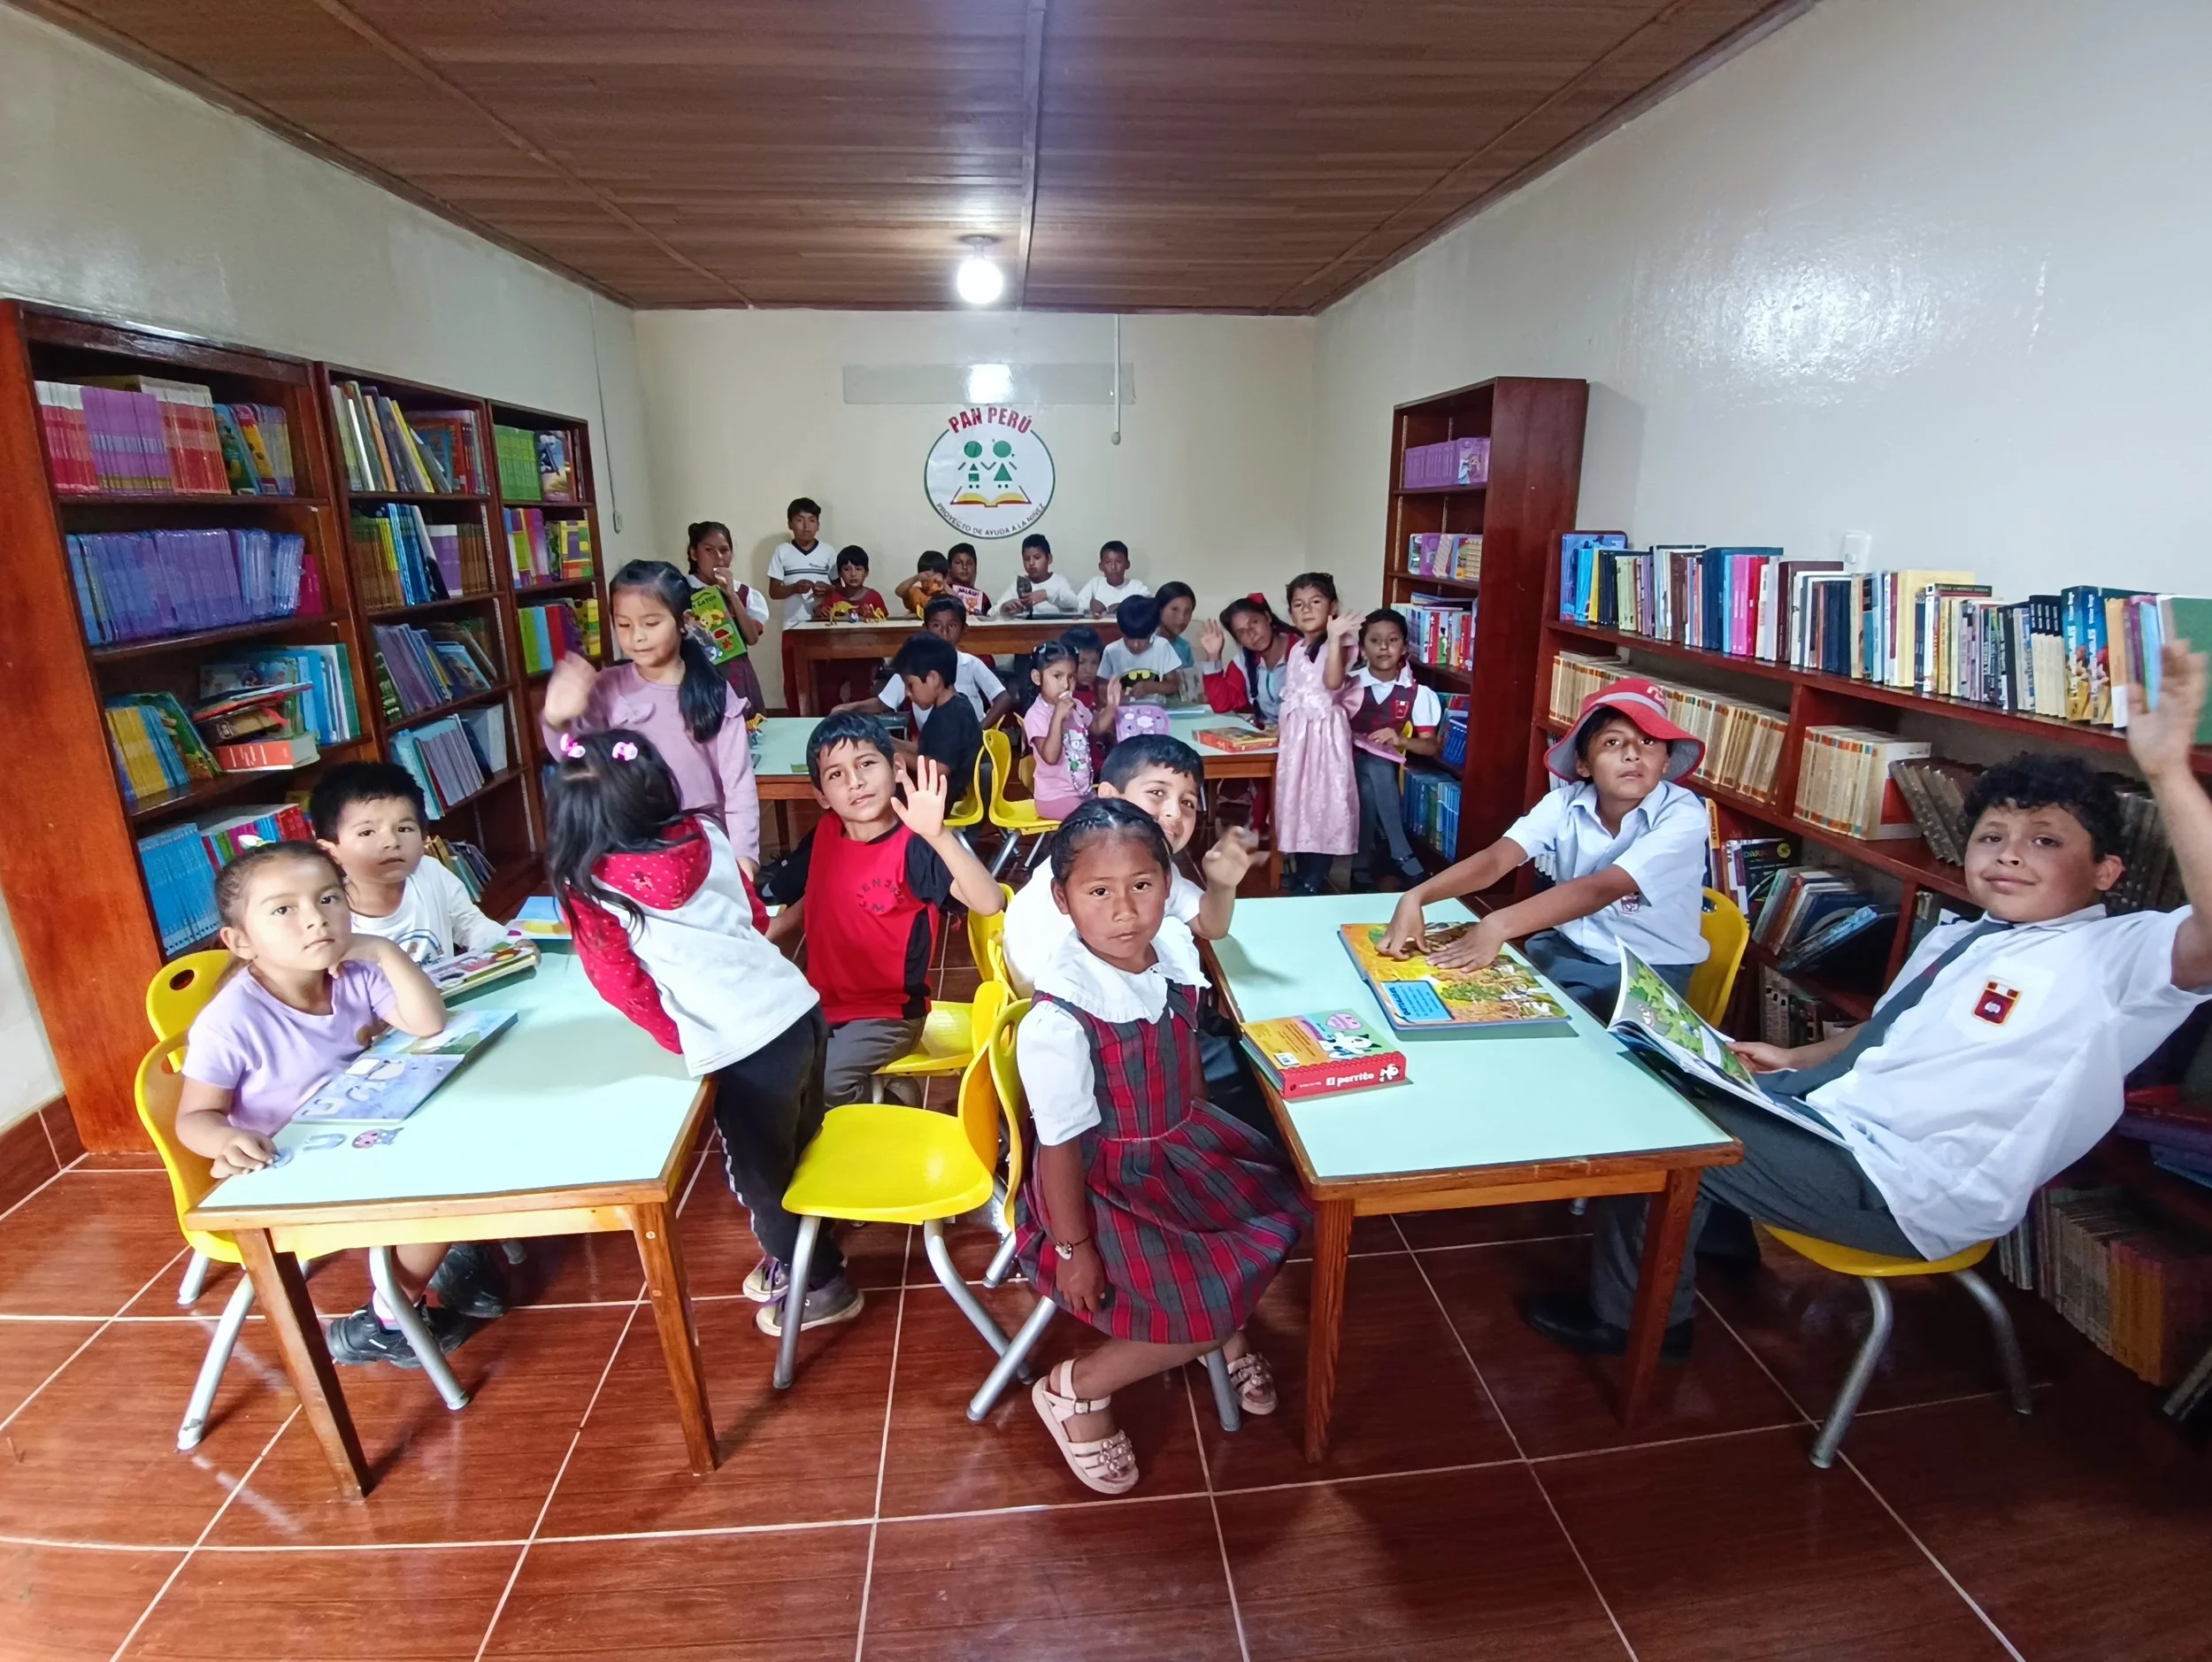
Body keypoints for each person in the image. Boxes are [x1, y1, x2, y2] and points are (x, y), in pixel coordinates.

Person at [1524, 641, 2212, 1362]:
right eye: (1992, 836)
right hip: (1841, 1129)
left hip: (1905, 1190)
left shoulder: (2117, 958)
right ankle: (1714, 1233)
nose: (2009, 854)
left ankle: (1643, 1325)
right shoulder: (1965, 937)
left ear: (2106, 871)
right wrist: (1790, 1055)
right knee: (1664, 1070)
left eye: (2044, 841)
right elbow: (1886, 1036)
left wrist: (2165, 769)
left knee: (1661, 1128)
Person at [1018, 800, 1309, 1495]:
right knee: (1200, 1302)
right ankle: (1076, 1388)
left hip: (1179, 1141)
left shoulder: (1172, 949)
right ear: (1063, 899)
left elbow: (1185, 1063)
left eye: (1142, 886)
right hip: (1102, 1180)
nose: (1125, 911)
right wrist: (1073, 1250)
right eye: (1098, 892)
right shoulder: (1062, 1015)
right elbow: (1057, 1148)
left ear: (1166, 885)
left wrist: (1209, 1141)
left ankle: (1220, 1323)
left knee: (1269, 1214)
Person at [548, 728, 860, 1336]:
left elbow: (621, 984)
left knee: (760, 1183)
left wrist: (681, 1035)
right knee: (801, 1147)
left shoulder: (589, 887)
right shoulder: (706, 834)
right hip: (798, 1010)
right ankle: (802, 1248)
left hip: (743, 1048)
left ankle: (823, 1282)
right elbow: (757, 914)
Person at [175, 842, 501, 1365]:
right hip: (294, 1163)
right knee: (447, 1195)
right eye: (284, 910)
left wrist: (383, 951)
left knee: (475, 1143)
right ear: (241, 941)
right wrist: (225, 1138)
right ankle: (387, 1321)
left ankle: (451, 1255)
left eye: (329, 899)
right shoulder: (230, 1020)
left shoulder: (353, 969)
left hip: (360, 1126)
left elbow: (427, 1023)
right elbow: (194, 1118)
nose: (316, 920)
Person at [1380, 678, 1709, 1010]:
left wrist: (1497, 923)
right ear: (1584, 764)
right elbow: (1496, 860)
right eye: (1612, 742)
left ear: (1666, 760)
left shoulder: (1684, 815)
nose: (1633, 755)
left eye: (1649, 741)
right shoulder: (1563, 803)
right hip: (1567, 950)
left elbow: (1601, 889)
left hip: (1646, 975)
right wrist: (1418, 896)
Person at [759, 719, 1002, 1104]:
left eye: (867, 764)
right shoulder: (827, 831)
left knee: (822, 1084)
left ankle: (887, 1109)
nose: (855, 781)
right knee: (765, 1066)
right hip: (821, 1001)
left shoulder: (916, 847)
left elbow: (991, 902)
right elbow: (823, 893)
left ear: (897, 769)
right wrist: (780, 925)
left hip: (888, 1014)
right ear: (822, 795)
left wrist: (938, 835)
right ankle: (879, 1095)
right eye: (836, 774)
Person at [541, 559, 761, 870]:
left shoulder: (712, 692)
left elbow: (738, 785)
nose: (637, 637)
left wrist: (744, 855)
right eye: (624, 625)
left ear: (684, 622)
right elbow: (576, 760)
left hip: (703, 851)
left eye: (651, 623)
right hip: (625, 848)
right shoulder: (606, 687)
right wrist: (556, 720)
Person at [309, 761, 510, 963]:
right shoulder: (327, 913)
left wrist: (510, 946)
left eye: (404, 829)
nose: (392, 842)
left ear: (424, 838)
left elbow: (471, 924)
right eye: (367, 832)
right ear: (330, 851)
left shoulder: (430, 873)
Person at [1271, 573, 1362, 896]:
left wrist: (1335, 637)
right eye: (1298, 604)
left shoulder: (1342, 643)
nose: (1306, 610)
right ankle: (1302, 869)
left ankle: (1315, 876)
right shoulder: (1296, 648)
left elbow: (1333, 682)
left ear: (1332, 607)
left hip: (1324, 736)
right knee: (1298, 801)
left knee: (1322, 802)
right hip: (1297, 738)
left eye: (1316, 602)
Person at [1348, 608, 1445, 892]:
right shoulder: (1349, 685)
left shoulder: (1416, 692)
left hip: (1381, 772)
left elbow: (1430, 747)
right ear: (1363, 649)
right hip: (1342, 768)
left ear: (1404, 647)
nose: (1383, 647)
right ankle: (1401, 851)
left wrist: (1400, 740)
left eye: (1392, 640)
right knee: (1369, 767)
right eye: (1374, 641)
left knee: (1371, 774)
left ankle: (1361, 862)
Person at [836, 596, 1011, 727]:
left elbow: (1002, 697)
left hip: (969, 744)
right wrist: (848, 708)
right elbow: (883, 703)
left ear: (964, 630)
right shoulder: (913, 666)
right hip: (934, 744)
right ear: (925, 629)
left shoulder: (971, 664)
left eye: (952, 626)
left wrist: (980, 730)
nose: (944, 632)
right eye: (936, 625)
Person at [682, 519, 771, 720]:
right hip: (697, 675)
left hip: (737, 674)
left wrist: (731, 594)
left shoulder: (744, 593)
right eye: (709, 550)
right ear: (693, 553)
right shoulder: (680, 590)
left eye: (724, 550)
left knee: (747, 732)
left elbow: (752, 638)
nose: (718, 558)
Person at [887, 631, 985, 798]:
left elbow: (939, 767)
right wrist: (888, 741)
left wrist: (895, 753)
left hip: (943, 798)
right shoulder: (955, 705)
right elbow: (928, 749)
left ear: (933, 679)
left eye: (910, 685)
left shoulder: (950, 717)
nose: (907, 693)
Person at [1023, 641, 1096, 823]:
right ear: (1037, 678)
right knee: (1093, 821)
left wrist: (1111, 704)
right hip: (1054, 798)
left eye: (1071, 677)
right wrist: (1057, 718)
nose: (1066, 685)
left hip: (1081, 792)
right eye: (1057, 676)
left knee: (1109, 812)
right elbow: (1050, 756)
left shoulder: (1076, 706)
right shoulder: (1036, 715)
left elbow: (1096, 728)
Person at [1198, 596, 1294, 727]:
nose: (1251, 634)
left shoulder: (1301, 650)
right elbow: (1222, 705)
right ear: (1238, 641)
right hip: (1268, 738)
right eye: (1242, 633)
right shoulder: (1243, 662)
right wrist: (1214, 655)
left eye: (1254, 622)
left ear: (1267, 617)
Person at [766, 496, 837, 627]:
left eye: (812, 520)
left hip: (826, 623)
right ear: (790, 524)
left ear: (818, 525)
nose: (806, 526)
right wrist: (794, 588)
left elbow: (840, 590)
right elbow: (773, 592)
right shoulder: (782, 551)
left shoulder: (828, 551)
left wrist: (827, 589)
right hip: (792, 625)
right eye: (800, 520)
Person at [1099, 595, 1185, 689]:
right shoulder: (1111, 651)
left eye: (1143, 639)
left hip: (1155, 703)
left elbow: (1174, 685)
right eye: (1129, 638)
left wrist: (1150, 687)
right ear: (1121, 631)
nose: (1136, 645)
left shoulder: (1162, 646)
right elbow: (1101, 687)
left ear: (1152, 631)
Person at [996, 533, 1082, 618]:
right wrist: (1003, 608)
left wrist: (1046, 594)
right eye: (1026, 559)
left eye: (1037, 557)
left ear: (1049, 559)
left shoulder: (1059, 582)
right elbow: (992, 612)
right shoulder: (1020, 584)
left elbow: (1074, 604)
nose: (1031, 563)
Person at [1077, 539, 1150, 617]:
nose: (1113, 567)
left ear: (1127, 564)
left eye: (1118, 561)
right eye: (1108, 562)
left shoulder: (1136, 586)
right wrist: (1090, 604)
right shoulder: (1095, 583)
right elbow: (1076, 604)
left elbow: (1150, 605)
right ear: (1101, 566)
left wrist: (1124, 606)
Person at [817, 546, 888, 621]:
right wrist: (821, 613)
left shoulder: (874, 597)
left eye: (858, 569)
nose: (853, 574)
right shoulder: (832, 596)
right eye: (847, 569)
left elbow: (884, 621)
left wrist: (872, 617)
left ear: (866, 573)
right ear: (839, 573)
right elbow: (819, 616)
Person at [1153, 581, 1199, 674]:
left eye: (1187, 611)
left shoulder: (1184, 647)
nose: (1181, 618)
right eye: (1175, 609)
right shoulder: (1144, 644)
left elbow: (1189, 684)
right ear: (1159, 609)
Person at [895, 550, 952, 617]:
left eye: (935, 581)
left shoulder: (944, 595)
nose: (929, 584)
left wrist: (944, 582)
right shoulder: (915, 593)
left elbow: (958, 602)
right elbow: (898, 592)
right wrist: (916, 578)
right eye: (925, 580)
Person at [946, 542, 991, 616]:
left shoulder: (983, 598)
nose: (965, 567)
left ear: (975, 569)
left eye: (969, 563)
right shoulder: (942, 593)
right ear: (949, 568)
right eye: (958, 563)